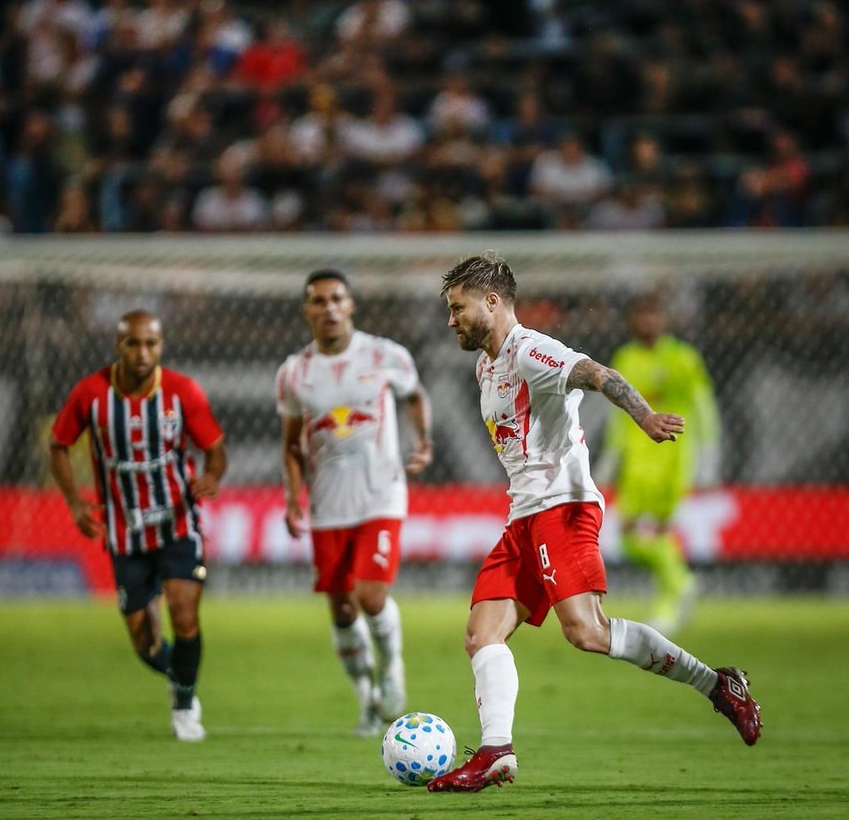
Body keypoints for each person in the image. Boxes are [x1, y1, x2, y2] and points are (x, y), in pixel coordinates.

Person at [429, 252, 761, 793]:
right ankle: (495, 752)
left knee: (586, 631)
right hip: (524, 515)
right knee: (481, 635)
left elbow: (598, 375)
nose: (451, 320)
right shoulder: (485, 364)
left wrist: (645, 416)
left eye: (457, 307)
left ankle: (718, 683)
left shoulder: (532, 350)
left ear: (492, 302)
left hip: (562, 506)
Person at [50, 310, 226, 742]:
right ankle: (178, 673)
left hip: (178, 524)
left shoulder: (182, 391)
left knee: (185, 616)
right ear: (118, 346)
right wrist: (74, 502)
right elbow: (59, 444)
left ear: (161, 345)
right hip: (125, 533)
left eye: (151, 343)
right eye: (133, 343)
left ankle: (185, 704)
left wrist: (212, 476)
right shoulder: (91, 393)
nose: (143, 352)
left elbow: (215, 448)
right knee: (145, 644)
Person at [276, 268, 433, 737]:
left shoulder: (386, 354)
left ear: (351, 305)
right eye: (318, 301)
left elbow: (415, 396)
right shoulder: (293, 373)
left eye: (336, 299)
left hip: (381, 495)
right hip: (328, 504)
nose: (328, 308)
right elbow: (289, 444)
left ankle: (391, 668)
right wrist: (291, 496)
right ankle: (366, 698)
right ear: (306, 310)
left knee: (371, 595)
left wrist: (423, 440)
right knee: (342, 609)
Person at [602, 293, 721, 636]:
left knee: (659, 532)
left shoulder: (683, 358)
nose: (648, 322)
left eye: (653, 315)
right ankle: (681, 582)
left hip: (672, 459)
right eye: (641, 315)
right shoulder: (625, 358)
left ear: (664, 319)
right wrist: (611, 458)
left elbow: (703, 407)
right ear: (632, 321)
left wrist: (709, 455)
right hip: (636, 464)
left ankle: (670, 601)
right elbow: (617, 415)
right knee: (627, 539)